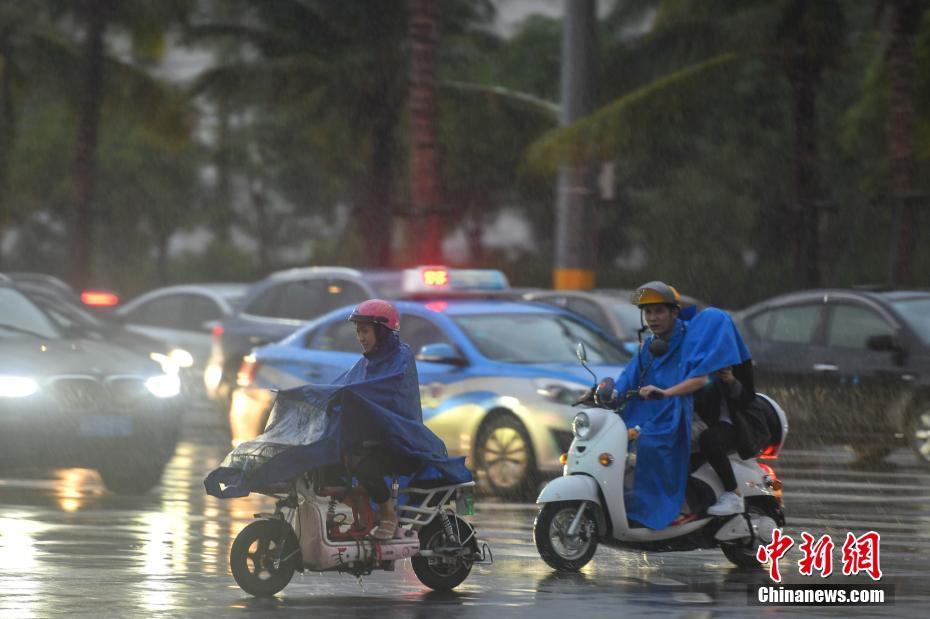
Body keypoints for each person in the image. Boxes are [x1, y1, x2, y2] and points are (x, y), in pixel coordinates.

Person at [204, 299, 473, 541]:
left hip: (399, 441)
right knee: (327, 464)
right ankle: (361, 512)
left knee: (362, 463)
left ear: (381, 331)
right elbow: (343, 386)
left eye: (365, 331)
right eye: (358, 331)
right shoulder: (368, 361)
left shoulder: (399, 359)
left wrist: (337, 395)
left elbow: (373, 392)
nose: (360, 337)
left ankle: (388, 515)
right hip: (373, 440)